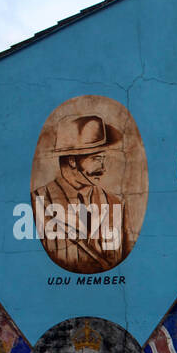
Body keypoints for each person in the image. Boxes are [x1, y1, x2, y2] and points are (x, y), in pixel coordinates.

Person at [33, 114, 131, 274]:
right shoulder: (37, 203)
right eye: (96, 159)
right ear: (72, 160)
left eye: (103, 159)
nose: (103, 168)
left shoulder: (115, 204)